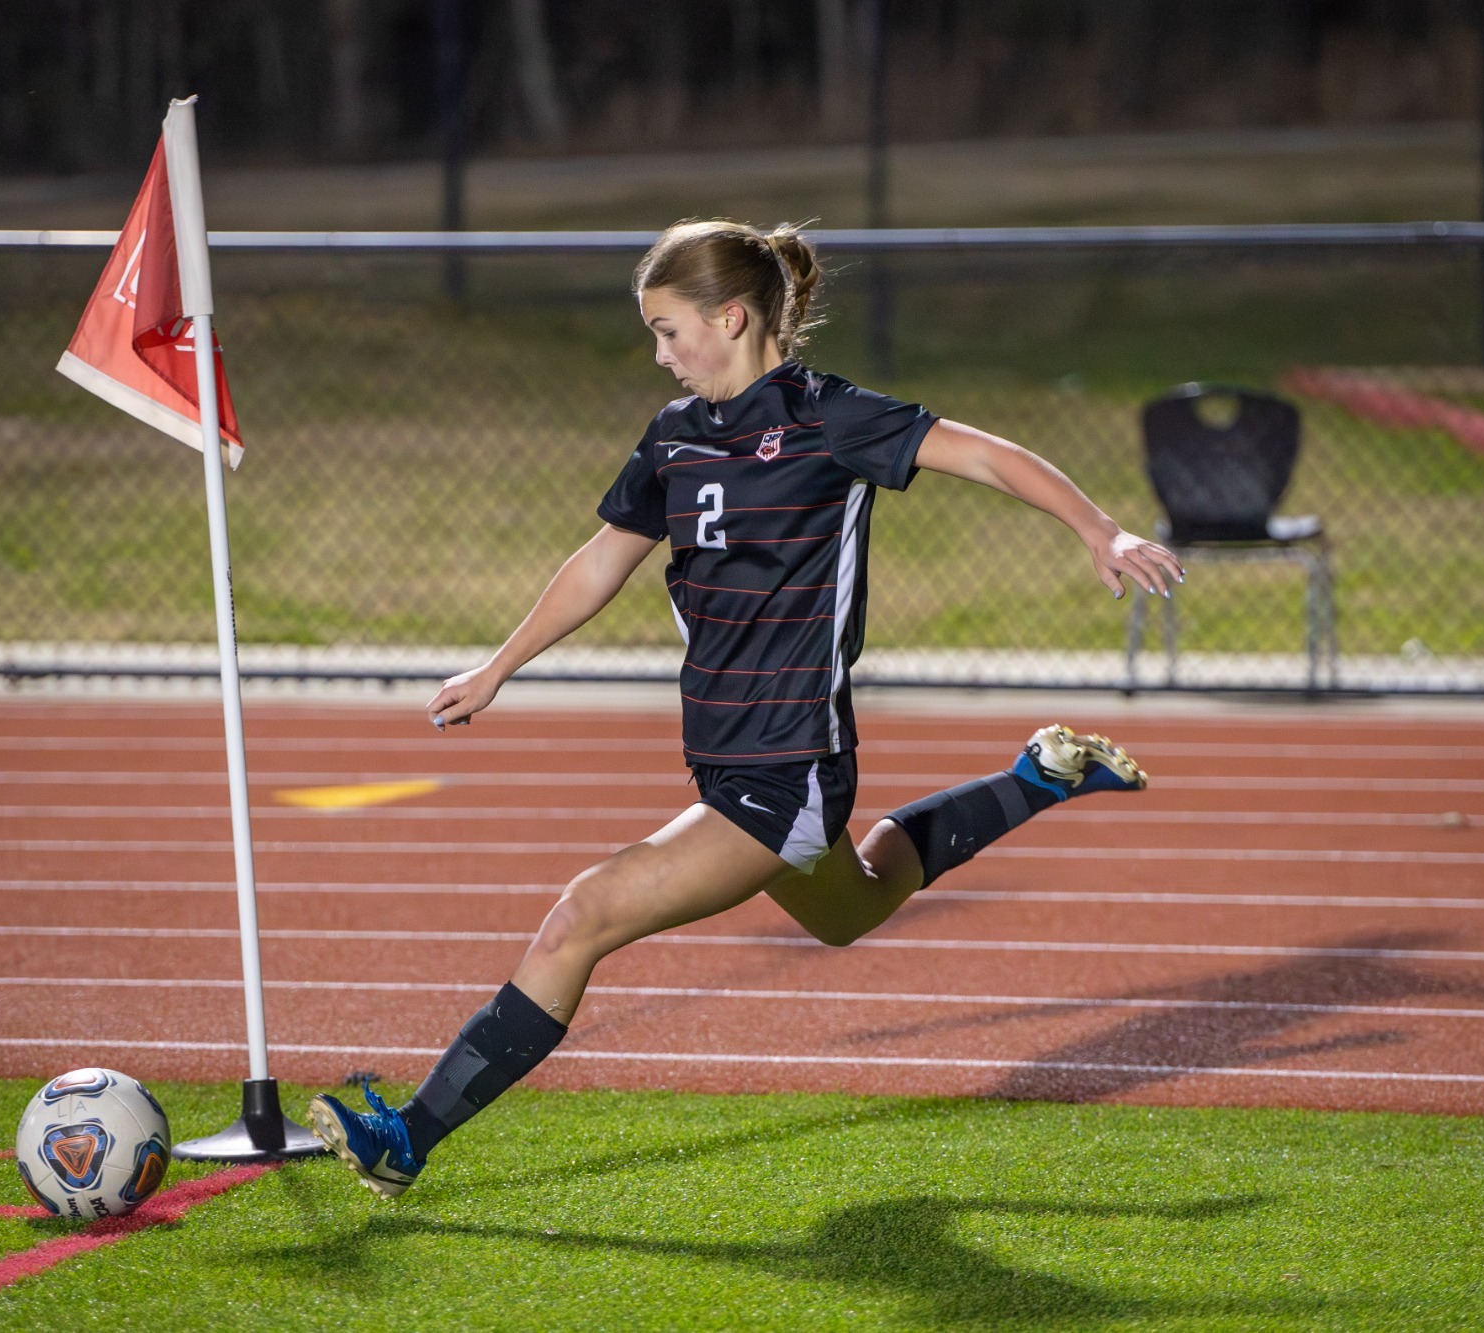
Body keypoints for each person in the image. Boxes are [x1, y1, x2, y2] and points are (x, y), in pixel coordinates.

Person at [308, 219, 1185, 1196]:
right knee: (850, 907)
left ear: (729, 317)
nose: (659, 354)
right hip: (727, 759)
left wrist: (1098, 532)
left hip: (788, 764)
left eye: (668, 329)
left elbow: (986, 456)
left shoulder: (828, 417)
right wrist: (500, 665)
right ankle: (1036, 778)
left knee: (579, 915)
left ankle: (408, 1137)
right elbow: (602, 558)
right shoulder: (673, 434)